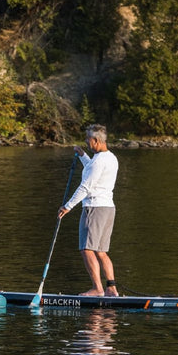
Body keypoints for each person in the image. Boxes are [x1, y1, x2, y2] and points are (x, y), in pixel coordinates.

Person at [58, 124, 119, 297]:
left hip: (94, 208)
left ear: (96, 140)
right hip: (108, 208)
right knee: (101, 251)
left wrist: (67, 206)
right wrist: (83, 156)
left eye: (88, 140)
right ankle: (111, 288)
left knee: (86, 249)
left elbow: (86, 186)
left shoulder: (98, 162)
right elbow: (92, 169)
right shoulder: (111, 158)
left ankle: (97, 289)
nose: (86, 142)